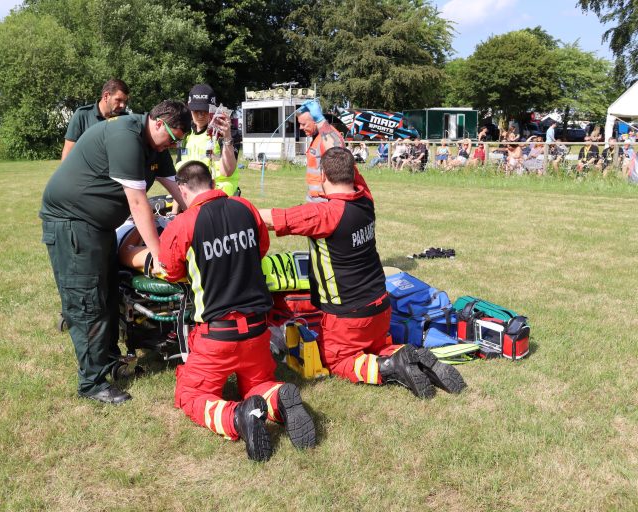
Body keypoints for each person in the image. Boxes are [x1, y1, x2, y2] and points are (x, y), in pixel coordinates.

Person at [259, 147, 466, 399]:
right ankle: (411, 359)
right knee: (379, 347)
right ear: (352, 172)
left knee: (338, 362)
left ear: (323, 174)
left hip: (347, 317)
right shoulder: (365, 199)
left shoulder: (325, 213)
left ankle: (390, 366)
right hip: (380, 307)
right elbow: (353, 175)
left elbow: (269, 219)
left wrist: (227, 210)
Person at [158, 161, 316, 462]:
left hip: (217, 336)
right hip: (258, 332)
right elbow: (261, 248)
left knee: (190, 396)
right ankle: (277, 399)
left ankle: (237, 416)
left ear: (182, 189)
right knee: (258, 383)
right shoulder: (246, 207)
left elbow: (172, 271)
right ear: (212, 181)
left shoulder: (183, 224)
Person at [40, 100, 191, 405]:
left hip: (99, 225)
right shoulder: (127, 136)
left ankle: (110, 363)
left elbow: (179, 190)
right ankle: (91, 383)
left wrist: (205, 215)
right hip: (72, 222)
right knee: (87, 302)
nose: (173, 147)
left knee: (109, 295)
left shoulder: (157, 147)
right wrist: (161, 256)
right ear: (158, 123)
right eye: (173, 139)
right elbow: (138, 204)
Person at [176, 84, 240, 196]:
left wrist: (227, 137)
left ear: (213, 109)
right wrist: (175, 211)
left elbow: (228, 171)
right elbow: (180, 177)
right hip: (193, 200)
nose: (200, 115)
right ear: (189, 109)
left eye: (205, 110)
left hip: (222, 199)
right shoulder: (185, 133)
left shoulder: (226, 131)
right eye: (196, 110)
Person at [61, 78, 130, 160]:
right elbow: (68, 150)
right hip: (87, 171)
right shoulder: (83, 115)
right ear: (106, 96)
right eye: (118, 100)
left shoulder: (125, 119)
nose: (122, 105)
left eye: (124, 102)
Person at [296, 99, 345, 202]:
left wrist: (320, 119)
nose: (300, 128)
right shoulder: (316, 137)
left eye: (304, 124)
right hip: (314, 199)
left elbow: (338, 153)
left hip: (325, 201)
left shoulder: (328, 135)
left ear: (315, 121)